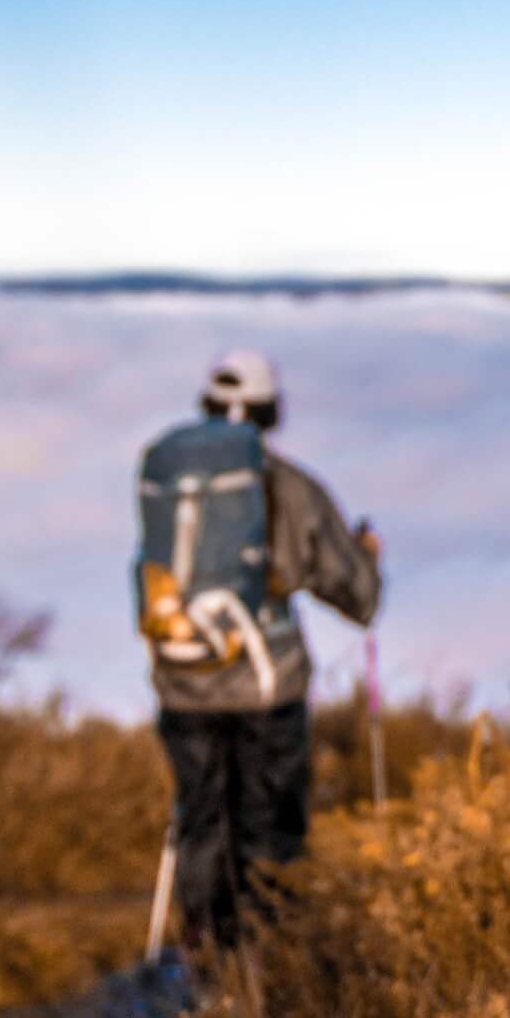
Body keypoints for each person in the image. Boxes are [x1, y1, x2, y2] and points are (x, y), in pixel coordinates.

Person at [135, 348, 381, 950]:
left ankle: (202, 953)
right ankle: (265, 959)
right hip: (267, 682)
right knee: (268, 825)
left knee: (201, 815)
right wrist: (366, 558)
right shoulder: (290, 489)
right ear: (271, 410)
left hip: (183, 679)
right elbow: (354, 591)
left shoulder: (175, 485)